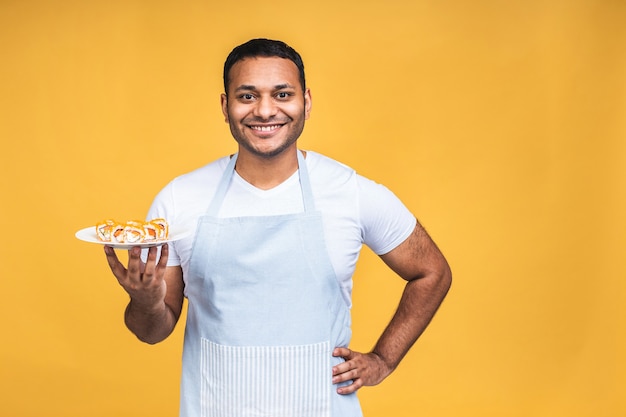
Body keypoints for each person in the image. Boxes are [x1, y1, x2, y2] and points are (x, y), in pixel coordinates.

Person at [104, 38, 452, 417]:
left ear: (307, 101)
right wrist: (146, 300)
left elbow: (431, 272)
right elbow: (151, 331)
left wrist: (384, 359)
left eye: (282, 94)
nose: (265, 111)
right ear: (226, 106)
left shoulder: (350, 192)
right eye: (247, 96)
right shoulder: (181, 199)